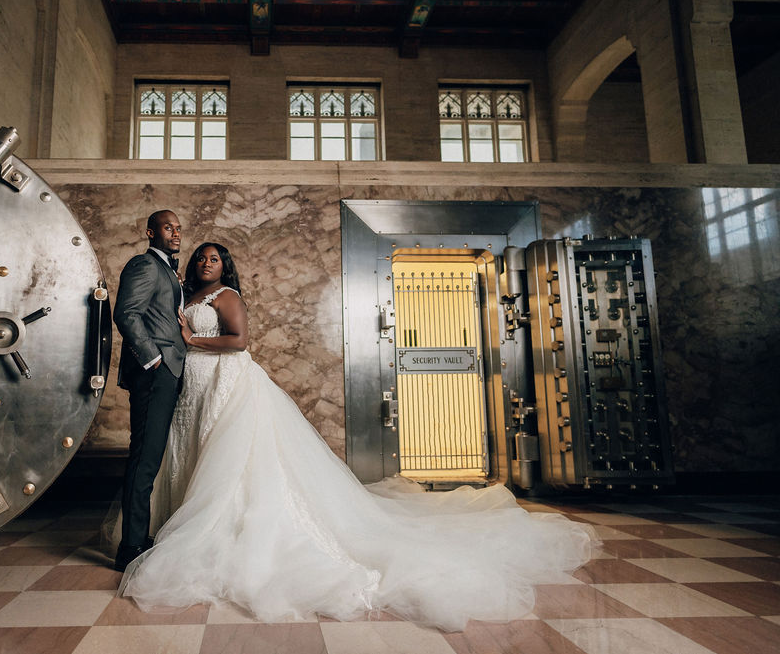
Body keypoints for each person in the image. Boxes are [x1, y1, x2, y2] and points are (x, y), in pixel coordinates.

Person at [120, 242, 596, 631]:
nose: (207, 262)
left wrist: (191, 341)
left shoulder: (227, 297)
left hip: (226, 379)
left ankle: (224, 530)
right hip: (195, 383)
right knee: (195, 451)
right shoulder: (185, 294)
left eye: (215, 257)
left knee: (230, 458)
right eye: (202, 257)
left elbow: (240, 342)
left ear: (226, 266)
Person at [111, 210, 186, 572]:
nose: (175, 233)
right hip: (155, 373)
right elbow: (126, 313)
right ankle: (130, 546)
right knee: (144, 459)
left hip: (168, 373)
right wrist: (153, 358)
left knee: (152, 458)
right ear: (150, 231)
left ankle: (140, 536)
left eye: (178, 228)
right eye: (168, 227)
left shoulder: (168, 269)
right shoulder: (143, 264)